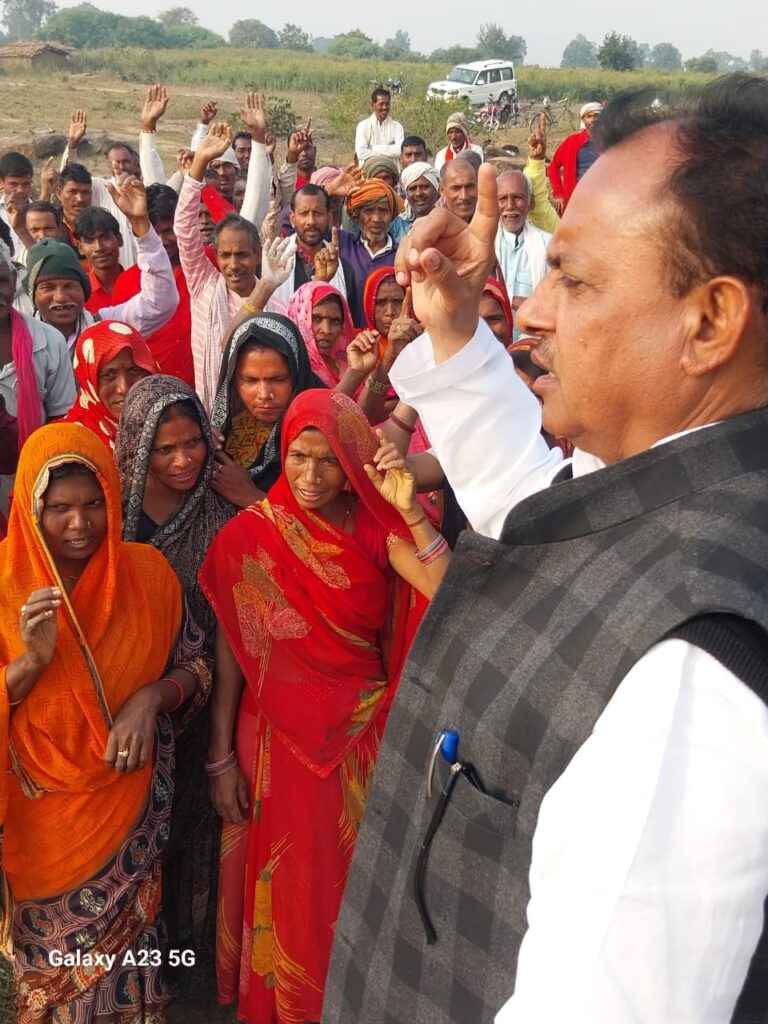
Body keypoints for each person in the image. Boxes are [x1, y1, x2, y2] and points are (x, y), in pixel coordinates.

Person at [323, 76, 768, 1024]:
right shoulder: (687, 490)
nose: (529, 314)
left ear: (709, 321)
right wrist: (453, 332)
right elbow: (552, 523)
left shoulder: (690, 676)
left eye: (575, 280)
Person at [199, 387, 450, 1023]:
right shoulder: (252, 535)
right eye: (298, 456)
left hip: (360, 737)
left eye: (329, 460)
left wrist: (412, 514)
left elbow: (443, 589)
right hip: (278, 737)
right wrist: (220, 754)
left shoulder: (374, 527)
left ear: (352, 461)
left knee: (348, 880)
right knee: (292, 881)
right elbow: (235, 652)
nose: (311, 476)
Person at [0, 421, 210, 1022]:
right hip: (44, 832)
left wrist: (150, 698)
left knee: (129, 985)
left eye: (94, 504)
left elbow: (197, 666)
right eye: (59, 508)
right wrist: (30, 663)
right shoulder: (4, 586)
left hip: (128, 816)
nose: (79, 523)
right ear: (31, 509)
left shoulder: (147, 576)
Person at [116, 375, 236, 966]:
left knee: (186, 828)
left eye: (193, 442)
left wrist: (219, 746)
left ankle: (181, 952)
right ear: (138, 447)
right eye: (165, 449)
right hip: (117, 707)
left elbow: (229, 637)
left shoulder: (219, 518)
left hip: (196, 700)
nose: (185, 460)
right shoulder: (106, 511)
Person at [174, 120, 272, 412]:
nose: (233, 264)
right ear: (215, 256)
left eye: (242, 255)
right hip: (208, 416)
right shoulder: (203, 284)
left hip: (258, 420)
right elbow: (184, 229)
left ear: (257, 254)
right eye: (225, 255)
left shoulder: (275, 305)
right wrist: (199, 164)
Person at [26, 176, 178, 353]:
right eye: (48, 287)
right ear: (32, 293)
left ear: (83, 290)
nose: (60, 297)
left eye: (69, 286)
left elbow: (159, 303)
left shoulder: (103, 324)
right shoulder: (19, 339)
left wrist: (140, 223)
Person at [208, 311, 325, 509]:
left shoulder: (319, 433)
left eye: (278, 379)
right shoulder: (229, 427)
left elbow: (325, 519)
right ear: (233, 379)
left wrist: (251, 497)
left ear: (297, 374)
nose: (264, 394)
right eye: (250, 380)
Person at [0, 251, 75, 516]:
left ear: (13, 280)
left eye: (1, 281)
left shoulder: (48, 340)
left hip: (36, 479)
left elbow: (61, 419)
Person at [112, 184, 195, 386]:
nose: (162, 241)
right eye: (153, 234)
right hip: (152, 391)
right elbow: (122, 346)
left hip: (205, 389)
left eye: (169, 231)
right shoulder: (127, 281)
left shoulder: (206, 267)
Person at [267, 184, 358, 319]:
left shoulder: (343, 269)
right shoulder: (274, 262)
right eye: (304, 213)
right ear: (292, 219)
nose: (311, 221)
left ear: (329, 217)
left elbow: (349, 323)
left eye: (318, 213)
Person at [64, 319, 157, 449]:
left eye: (134, 371)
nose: (124, 388)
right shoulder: (69, 443)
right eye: (108, 375)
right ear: (88, 382)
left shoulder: (171, 428)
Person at [494, 170, 552, 333]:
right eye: (502, 199)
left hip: (532, 341)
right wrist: (517, 301)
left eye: (517, 198)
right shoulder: (483, 244)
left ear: (531, 202)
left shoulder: (548, 246)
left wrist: (506, 299)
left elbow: (555, 304)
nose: (510, 206)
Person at [338, 180, 401, 320]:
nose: (376, 219)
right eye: (369, 211)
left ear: (392, 216)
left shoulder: (402, 255)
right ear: (357, 216)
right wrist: (331, 192)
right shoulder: (342, 244)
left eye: (383, 211)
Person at [285, 281, 359, 390]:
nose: (326, 330)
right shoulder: (292, 369)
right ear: (299, 317)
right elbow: (327, 401)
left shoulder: (348, 359)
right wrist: (354, 374)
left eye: (335, 321)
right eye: (316, 319)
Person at [547, 101, 602, 213]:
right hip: (574, 199)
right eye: (589, 116)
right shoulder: (571, 142)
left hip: (601, 199)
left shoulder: (609, 142)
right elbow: (552, 168)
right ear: (583, 120)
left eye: (596, 116)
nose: (593, 119)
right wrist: (558, 194)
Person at [73, 207, 126, 313]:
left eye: (105, 238)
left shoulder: (141, 283)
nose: (99, 247)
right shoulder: (78, 294)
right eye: (89, 240)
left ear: (119, 239)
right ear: (80, 247)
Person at [354, 87, 405, 164]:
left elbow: (400, 151)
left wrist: (372, 148)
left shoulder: (397, 127)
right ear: (373, 105)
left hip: (391, 170)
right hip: (368, 170)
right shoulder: (363, 126)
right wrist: (390, 152)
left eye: (387, 104)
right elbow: (361, 153)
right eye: (381, 104)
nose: (385, 107)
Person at [391, 162, 440, 241]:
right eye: (412, 189)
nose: (418, 193)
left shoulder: (448, 221)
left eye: (424, 187)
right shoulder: (396, 226)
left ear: (436, 189)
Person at [0, 152, 34, 256]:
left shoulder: (41, 213)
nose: (20, 190)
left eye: (26, 184)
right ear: (1, 183)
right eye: (13, 184)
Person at [439, 158, 478, 223]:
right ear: (443, 191)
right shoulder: (433, 225)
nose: (464, 196)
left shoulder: (490, 221)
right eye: (456, 188)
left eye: (470, 187)